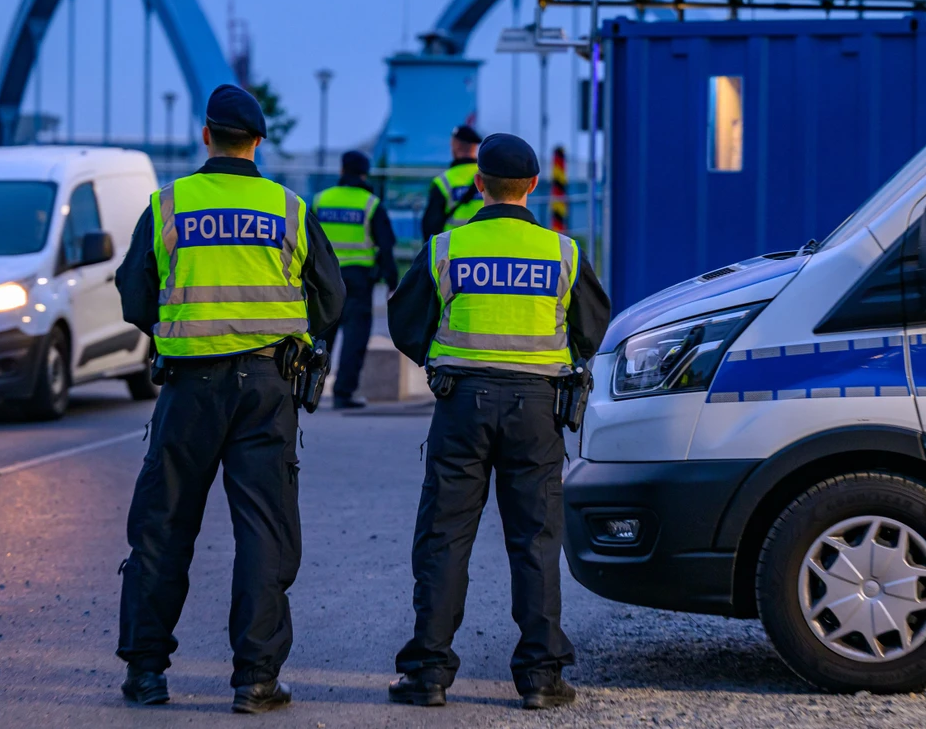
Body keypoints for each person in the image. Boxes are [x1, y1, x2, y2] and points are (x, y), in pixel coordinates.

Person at [113, 84, 346, 714]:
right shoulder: (290, 209)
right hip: (268, 389)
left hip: (189, 389)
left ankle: (145, 674)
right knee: (263, 532)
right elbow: (331, 299)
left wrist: (184, 330)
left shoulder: (168, 206)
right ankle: (256, 681)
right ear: (259, 143)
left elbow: (136, 299)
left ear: (206, 135)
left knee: (163, 528)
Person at [387, 133, 610, 710]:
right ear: (533, 187)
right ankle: (540, 677)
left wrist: (440, 361)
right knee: (535, 540)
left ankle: (428, 674)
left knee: (444, 537)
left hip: (462, 405)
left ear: (478, 184)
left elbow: (406, 321)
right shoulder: (562, 252)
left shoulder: (447, 248)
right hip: (537, 410)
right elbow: (592, 326)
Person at [313, 150, 399, 409]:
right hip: (358, 280)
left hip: (324, 279)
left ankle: (308, 390)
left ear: (342, 170)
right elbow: (386, 245)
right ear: (364, 173)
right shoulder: (370, 203)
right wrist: (392, 280)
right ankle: (342, 394)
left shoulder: (320, 200)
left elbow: (308, 241)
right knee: (354, 339)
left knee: (320, 338)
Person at [420, 124, 483, 239]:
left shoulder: (443, 181)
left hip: (453, 251)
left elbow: (430, 226)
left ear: (456, 145)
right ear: (474, 147)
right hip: (485, 248)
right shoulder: (489, 178)